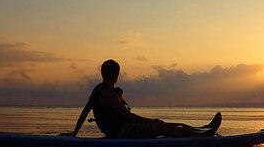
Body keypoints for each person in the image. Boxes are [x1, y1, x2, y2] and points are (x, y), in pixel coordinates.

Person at [64, 59, 222, 138]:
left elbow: (85, 112)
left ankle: (203, 129)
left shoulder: (97, 89)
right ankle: (202, 135)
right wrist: (149, 121)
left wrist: (74, 133)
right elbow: (127, 116)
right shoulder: (108, 94)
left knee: (167, 124)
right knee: (160, 126)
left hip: (118, 129)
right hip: (121, 131)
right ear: (116, 74)